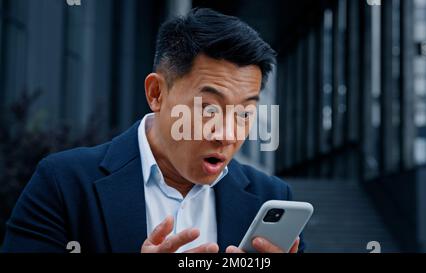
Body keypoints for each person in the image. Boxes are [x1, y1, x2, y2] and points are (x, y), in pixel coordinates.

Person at [2, 8, 304, 253]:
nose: (226, 134)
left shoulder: (271, 198)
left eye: (244, 113)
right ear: (156, 93)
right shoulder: (63, 185)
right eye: (209, 109)